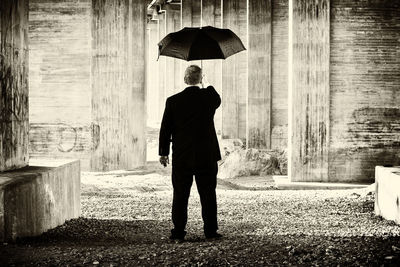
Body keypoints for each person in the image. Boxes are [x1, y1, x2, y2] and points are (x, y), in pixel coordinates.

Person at [159, 65, 222, 241]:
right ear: (200, 79)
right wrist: (206, 83)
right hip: (206, 155)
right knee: (208, 193)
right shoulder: (208, 98)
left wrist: (163, 153)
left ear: (185, 79)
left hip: (182, 155)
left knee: (180, 193)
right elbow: (217, 99)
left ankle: (178, 232)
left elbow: (165, 129)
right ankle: (210, 231)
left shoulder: (173, 101)